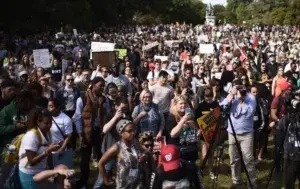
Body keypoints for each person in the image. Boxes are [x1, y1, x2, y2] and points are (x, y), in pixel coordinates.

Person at [220, 84, 257, 189]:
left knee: (248, 160)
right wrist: (231, 95)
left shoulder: (251, 98)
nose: (240, 91)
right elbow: (222, 107)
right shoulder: (232, 95)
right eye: (238, 88)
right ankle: (236, 180)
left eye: (242, 89)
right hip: (232, 132)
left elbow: (249, 113)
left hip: (246, 134)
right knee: (233, 158)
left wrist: (241, 100)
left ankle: (252, 184)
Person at [18, 107, 60, 189]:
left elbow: (49, 154)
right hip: (29, 174)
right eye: (46, 123)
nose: (49, 126)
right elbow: (31, 162)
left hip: (42, 171)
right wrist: (47, 151)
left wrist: (52, 170)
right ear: (38, 122)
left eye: (51, 123)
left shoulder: (48, 133)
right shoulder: (31, 136)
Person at [98, 119, 147, 189]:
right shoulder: (116, 147)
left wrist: (144, 156)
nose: (133, 133)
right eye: (129, 131)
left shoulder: (135, 143)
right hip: (123, 186)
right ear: (121, 133)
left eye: (134, 130)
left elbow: (146, 152)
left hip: (137, 185)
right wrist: (107, 181)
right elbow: (100, 163)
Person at [78, 77, 106, 188]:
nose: (102, 88)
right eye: (100, 85)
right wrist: (81, 133)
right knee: (85, 160)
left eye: (103, 86)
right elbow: (77, 117)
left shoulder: (104, 99)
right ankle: (83, 182)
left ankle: (100, 182)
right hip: (86, 132)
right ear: (93, 85)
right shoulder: (82, 98)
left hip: (99, 132)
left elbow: (107, 114)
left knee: (101, 158)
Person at [166, 95, 200, 163]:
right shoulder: (171, 117)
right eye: (181, 103)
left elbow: (197, 132)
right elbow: (173, 134)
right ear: (175, 105)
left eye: (185, 103)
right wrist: (183, 120)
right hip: (177, 148)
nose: (183, 105)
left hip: (190, 147)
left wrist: (194, 127)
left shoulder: (190, 115)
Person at [48, 98, 73, 168]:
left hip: (61, 151)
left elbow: (68, 136)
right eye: (48, 106)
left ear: (58, 107)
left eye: (51, 106)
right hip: (49, 150)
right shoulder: (47, 117)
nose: (49, 109)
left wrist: (62, 149)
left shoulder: (66, 119)